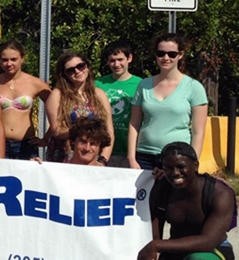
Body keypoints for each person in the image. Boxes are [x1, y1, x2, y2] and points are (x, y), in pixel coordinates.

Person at [137, 141, 235, 260]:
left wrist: (157, 245)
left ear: (195, 165)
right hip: (175, 252)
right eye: (168, 167)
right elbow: (156, 222)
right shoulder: (162, 189)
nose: (175, 173)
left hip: (213, 252)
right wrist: (155, 257)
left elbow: (207, 241)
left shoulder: (220, 193)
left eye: (181, 166)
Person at [127, 33, 208, 170]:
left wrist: (193, 162)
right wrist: (131, 157)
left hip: (178, 158)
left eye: (172, 54)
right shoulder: (144, 85)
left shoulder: (194, 87)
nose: (166, 58)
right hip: (144, 157)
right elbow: (134, 124)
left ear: (180, 55)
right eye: (161, 53)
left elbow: (198, 132)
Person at [45, 52, 114, 163]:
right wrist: (82, 130)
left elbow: (109, 131)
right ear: (64, 74)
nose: (77, 71)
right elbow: (56, 131)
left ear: (87, 66)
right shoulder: (58, 94)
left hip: (93, 158)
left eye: (80, 66)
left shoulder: (99, 94)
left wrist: (103, 160)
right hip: (64, 157)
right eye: (70, 70)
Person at [0, 41, 52, 159]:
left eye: (13, 59)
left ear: (22, 58)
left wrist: (46, 139)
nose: (9, 63)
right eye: (4, 60)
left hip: (26, 144)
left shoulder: (35, 83)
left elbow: (58, 111)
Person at [95, 40, 143, 168]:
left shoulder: (141, 84)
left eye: (120, 59)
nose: (116, 64)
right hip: (104, 150)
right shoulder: (98, 84)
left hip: (132, 152)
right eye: (112, 60)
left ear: (130, 58)